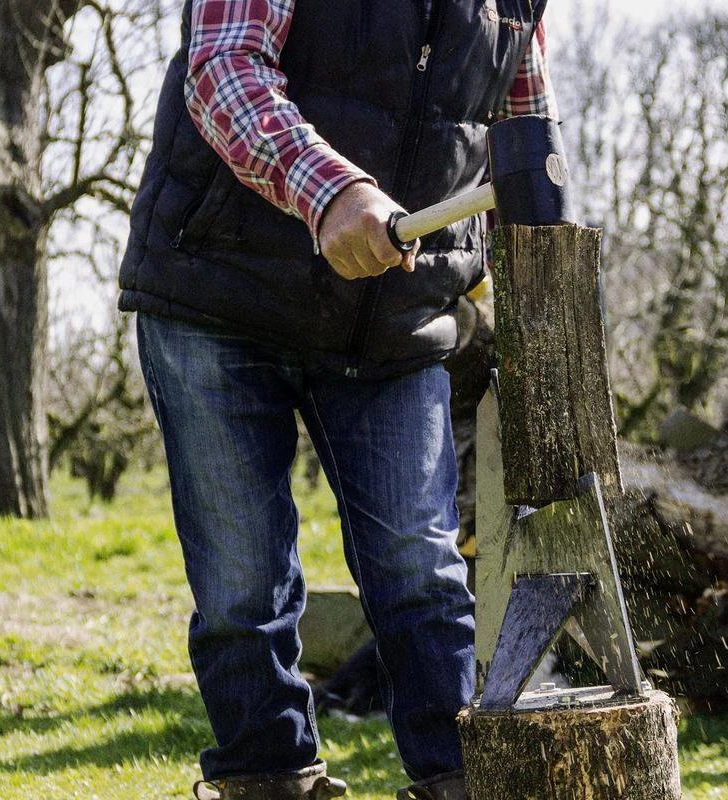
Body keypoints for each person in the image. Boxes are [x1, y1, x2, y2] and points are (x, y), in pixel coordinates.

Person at [116, 1, 555, 797]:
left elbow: (523, 137)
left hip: (395, 318)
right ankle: (269, 779)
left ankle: (461, 780)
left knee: (422, 573)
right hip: (218, 288)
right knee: (242, 588)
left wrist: (538, 284)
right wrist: (332, 192)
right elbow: (224, 69)